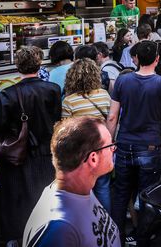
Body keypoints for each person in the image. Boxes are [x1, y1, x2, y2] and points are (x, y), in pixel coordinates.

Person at [0, 46, 61, 246]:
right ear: (39, 64)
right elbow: (57, 120)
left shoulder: (7, 95)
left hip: (17, 160)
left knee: (18, 207)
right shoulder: (53, 89)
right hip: (47, 157)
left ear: (18, 66)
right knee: (44, 202)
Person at [107, 40, 161, 245]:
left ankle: (116, 236)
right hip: (150, 146)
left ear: (136, 59)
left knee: (121, 193)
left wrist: (110, 142)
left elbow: (112, 117)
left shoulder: (123, 81)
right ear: (157, 59)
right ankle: (143, 238)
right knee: (148, 195)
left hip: (125, 143)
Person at [22, 116, 120, 247]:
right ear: (93, 159)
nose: (114, 149)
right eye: (110, 145)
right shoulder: (58, 229)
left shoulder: (81, 189)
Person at [61, 58, 113, 211]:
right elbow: (111, 118)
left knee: (83, 192)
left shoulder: (69, 101)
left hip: (80, 151)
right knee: (103, 188)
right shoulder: (104, 95)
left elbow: (66, 130)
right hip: (103, 147)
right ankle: (106, 223)